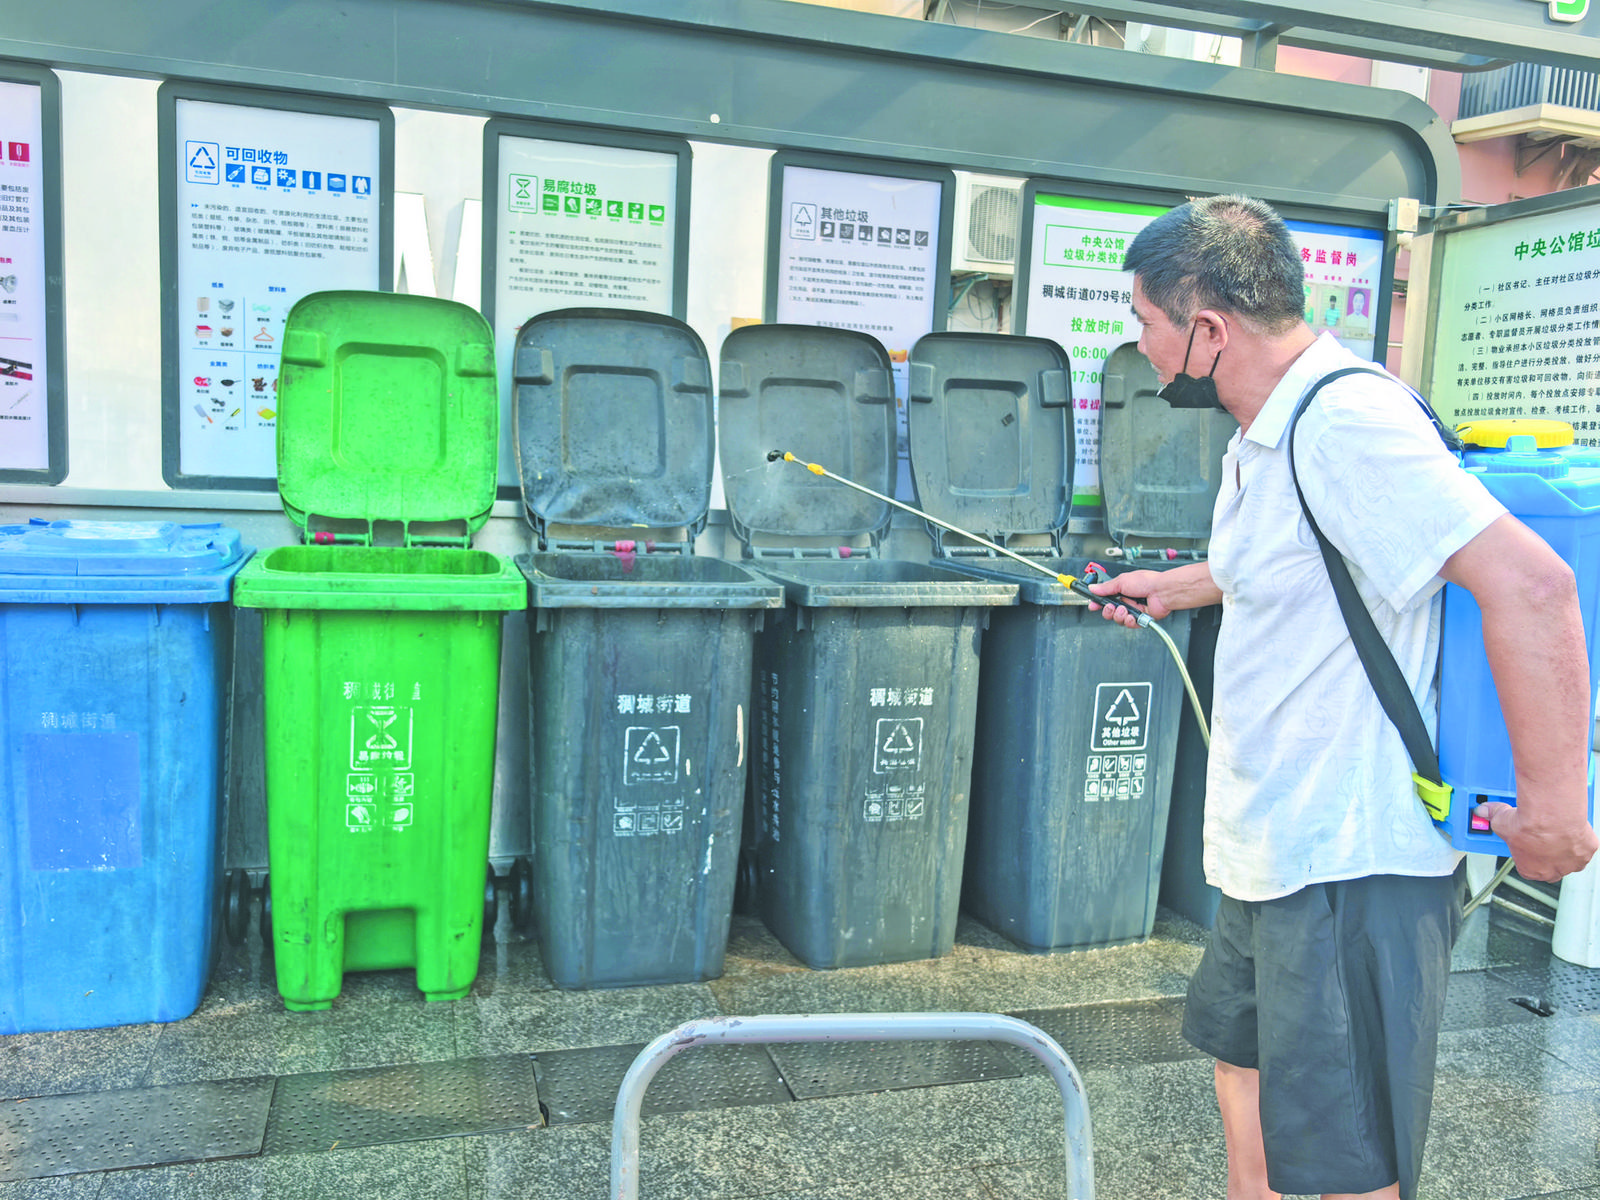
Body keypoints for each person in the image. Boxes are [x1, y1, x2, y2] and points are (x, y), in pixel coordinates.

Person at [1093, 194, 1597, 1200]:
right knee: (1244, 1068)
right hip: (1276, 847)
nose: (1138, 345)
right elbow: (1307, 562)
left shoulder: (1346, 423)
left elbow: (1533, 585)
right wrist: (1179, 586)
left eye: (1145, 321)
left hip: (1351, 859)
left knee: (1346, 1153)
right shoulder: (1268, 428)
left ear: (1207, 331)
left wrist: (1555, 812)